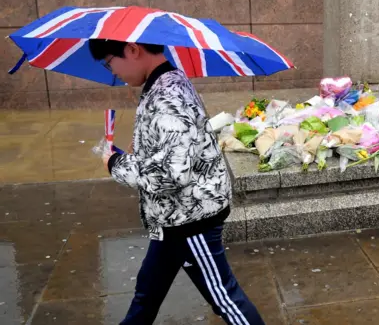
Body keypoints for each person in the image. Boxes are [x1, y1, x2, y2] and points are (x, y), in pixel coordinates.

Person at [90, 39, 265, 325]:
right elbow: (170, 152)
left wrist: (115, 164)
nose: (113, 72)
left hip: (190, 219)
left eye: (110, 62)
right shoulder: (165, 83)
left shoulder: (168, 96)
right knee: (148, 290)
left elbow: (171, 174)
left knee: (225, 298)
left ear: (133, 49)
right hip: (172, 217)